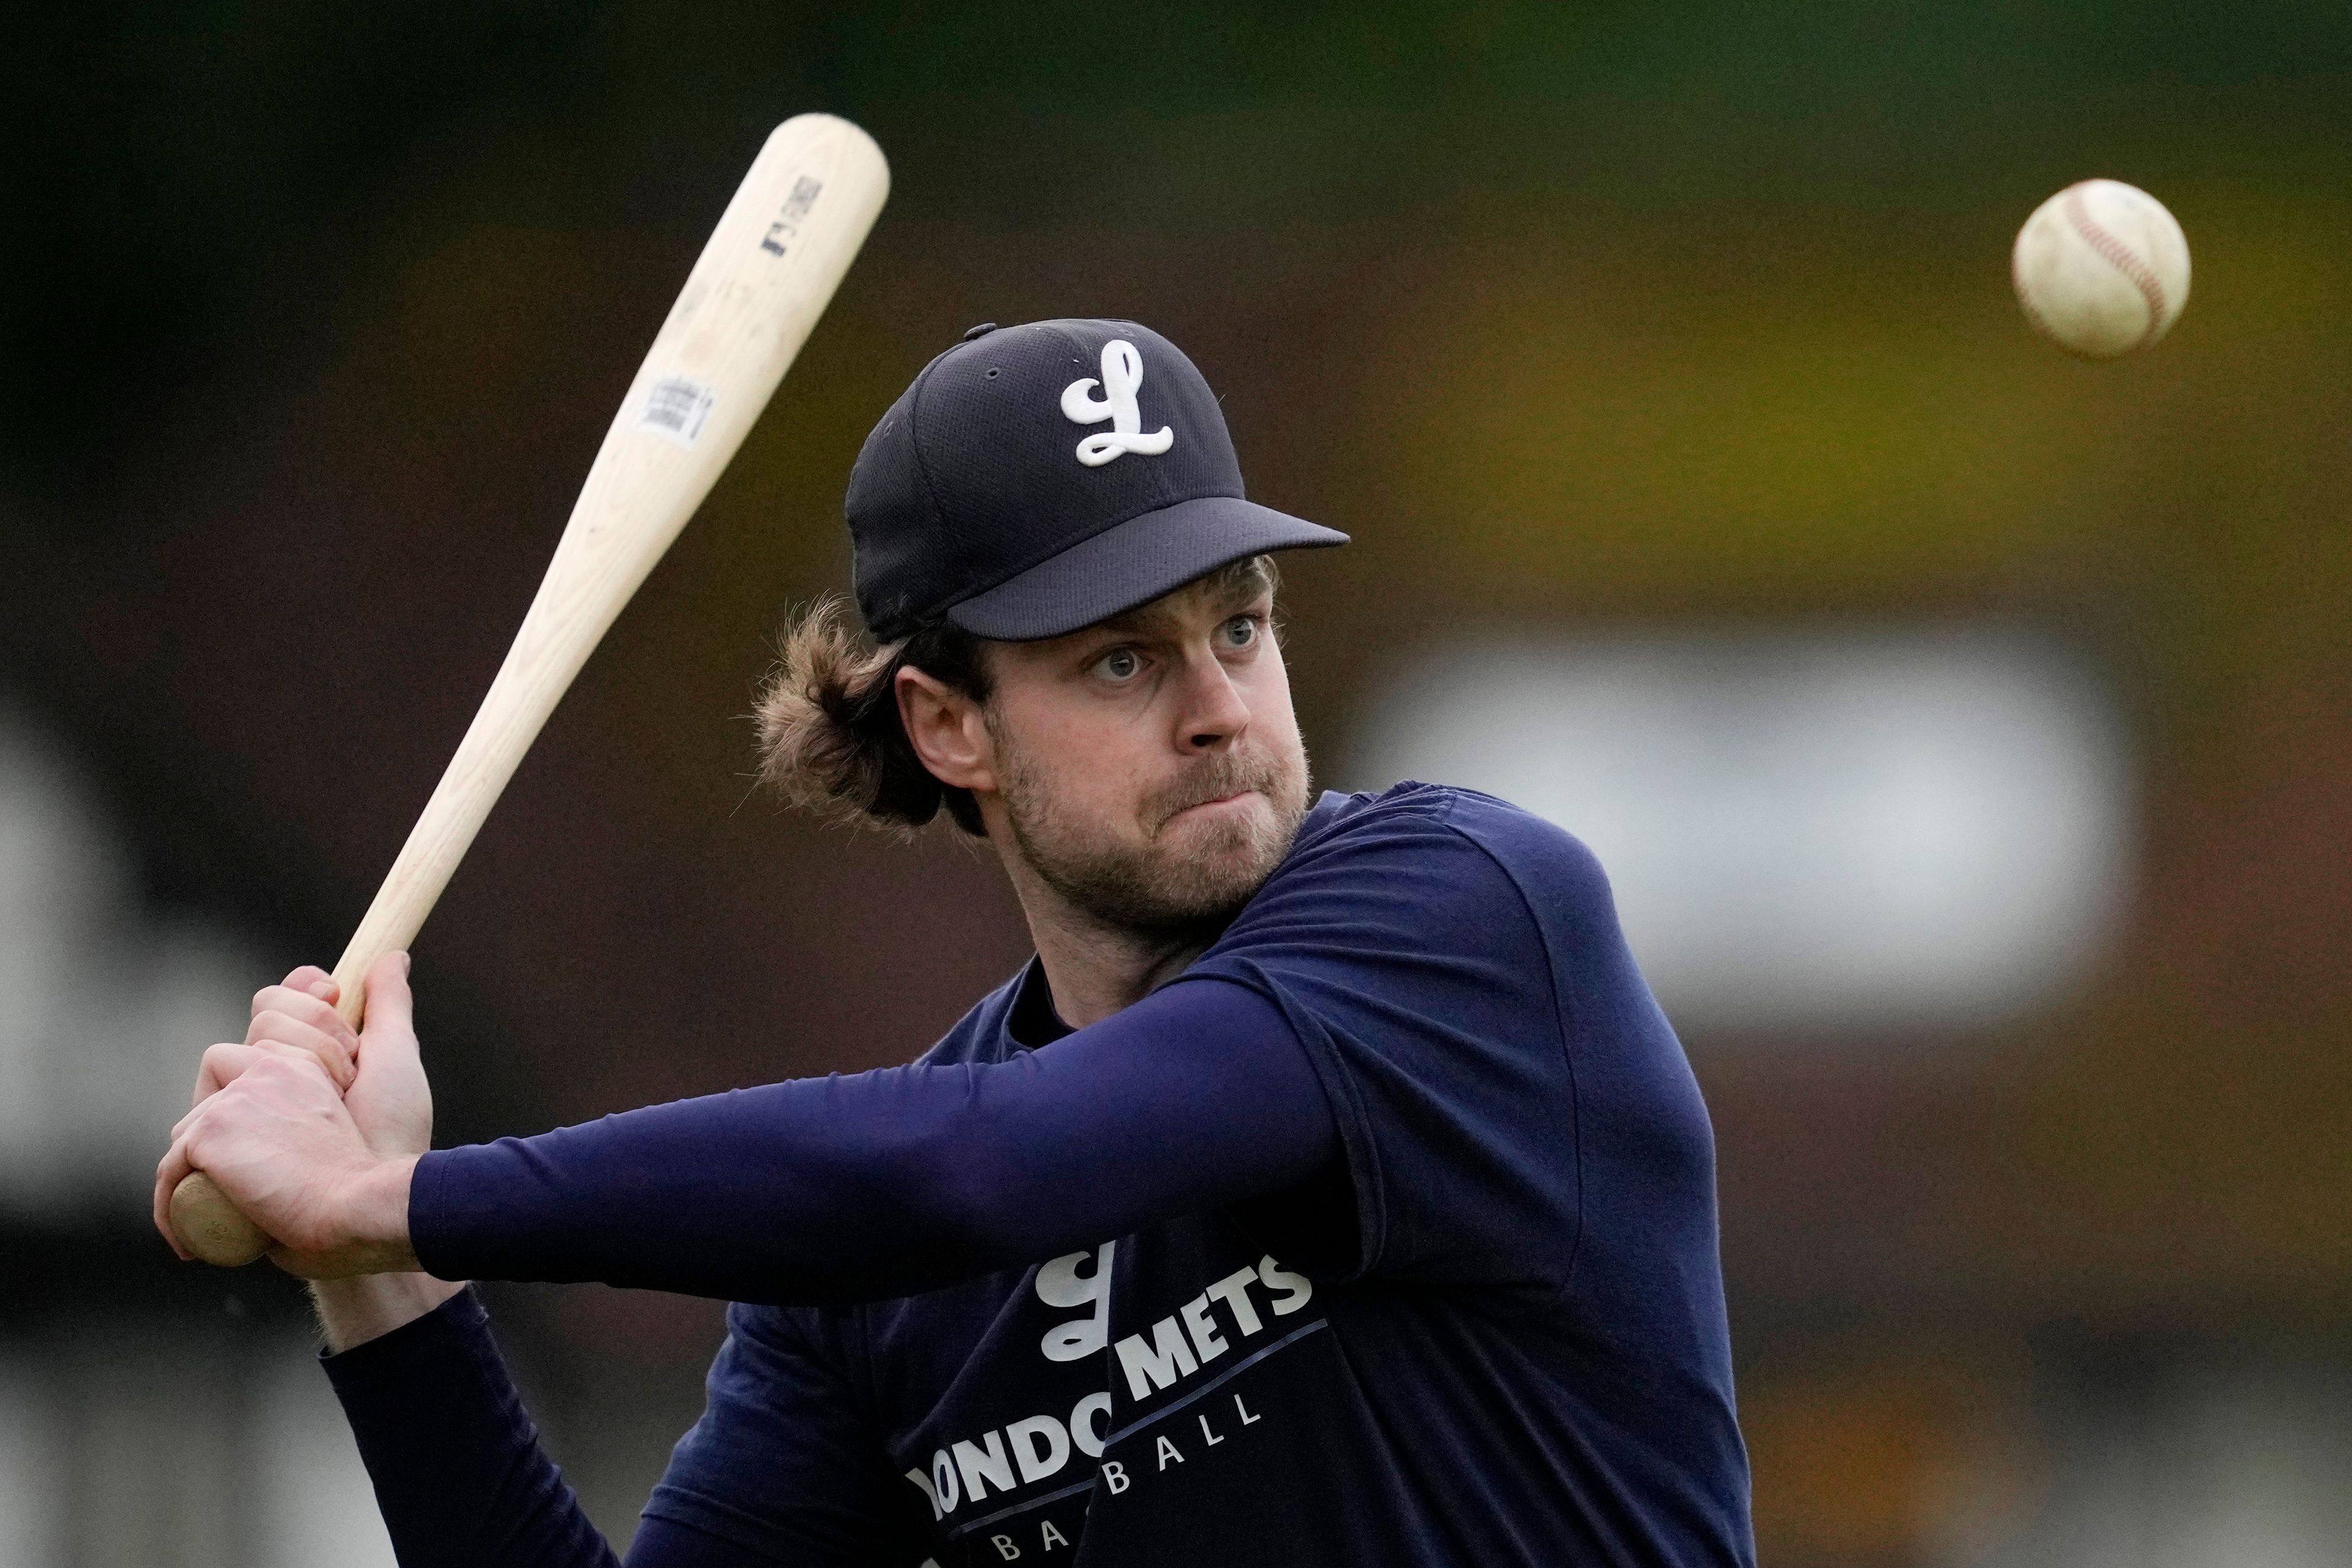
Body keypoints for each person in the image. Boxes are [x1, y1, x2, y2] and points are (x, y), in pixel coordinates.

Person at [154, 318, 1754, 1567]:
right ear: (948, 723)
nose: (1219, 711)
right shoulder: (867, 1300)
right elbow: (943, 1182)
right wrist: (383, 1282)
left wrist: (392, 1197)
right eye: (1121, 663)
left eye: (1240, 625)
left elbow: (977, 1174)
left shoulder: (1467, 922)